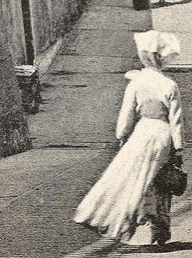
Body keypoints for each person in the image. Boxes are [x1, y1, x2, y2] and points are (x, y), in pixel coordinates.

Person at [74, 30, 184, 245]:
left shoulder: (136, 82)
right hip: (163, 135)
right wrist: (178, 148)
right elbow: (176, 121)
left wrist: (123, 136)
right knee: (160, 183)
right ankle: (160, 228)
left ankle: (117, 222)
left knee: (131, 180)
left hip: (142, 132)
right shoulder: (170, 85)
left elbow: (126, 116)